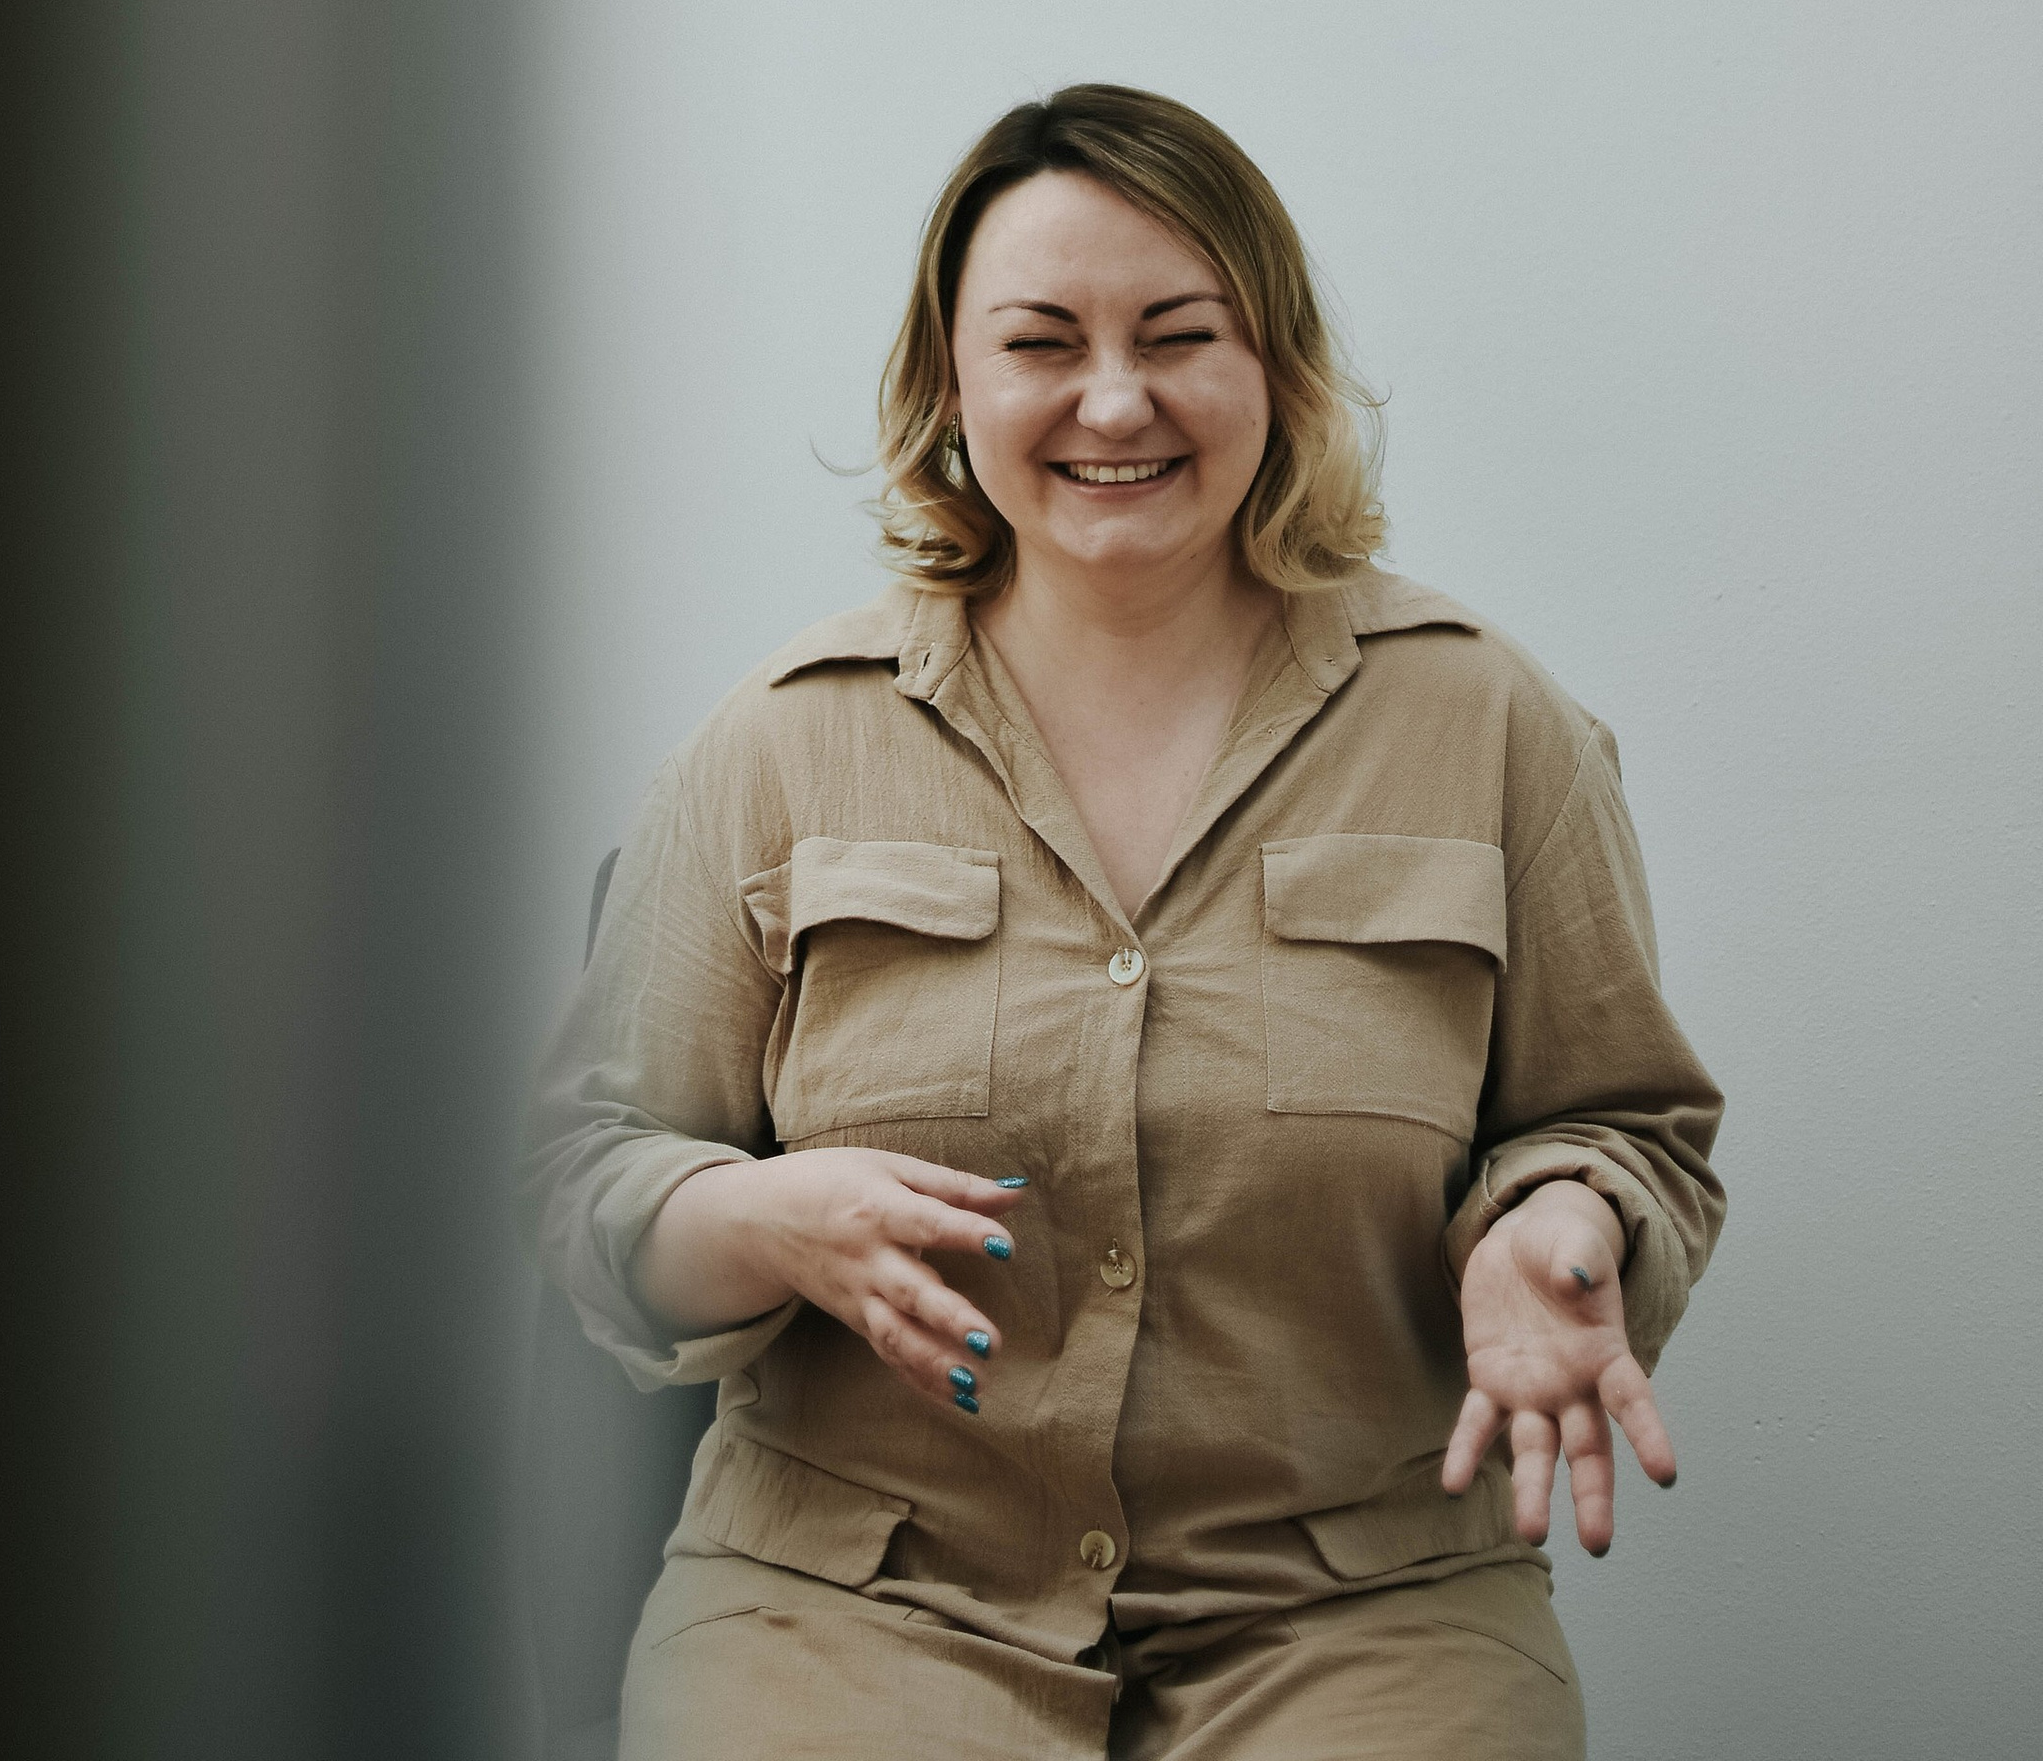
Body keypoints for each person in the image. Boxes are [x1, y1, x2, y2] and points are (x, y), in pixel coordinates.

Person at [523, 86, 1724, 1758]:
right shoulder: (780, 742)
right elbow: (583, 1173)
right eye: (1041, 343)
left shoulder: (1492, 725)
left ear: (1276, 371)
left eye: (1178, 334)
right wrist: (757, 1217)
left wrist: (1565, 1225)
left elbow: (1626, 1122)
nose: (1113, 399)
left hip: (1355, 1607)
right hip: (853, 1601)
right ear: (955, 388)